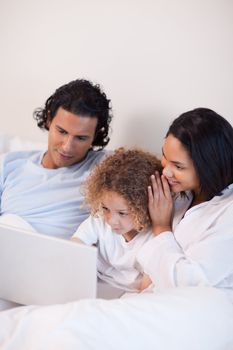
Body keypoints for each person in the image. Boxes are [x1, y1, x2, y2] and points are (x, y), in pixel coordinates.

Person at [0, 79, 112, 239]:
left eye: (81, 138)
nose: (67, 147)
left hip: (55, 258)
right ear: (49, 120)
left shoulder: (105, 168)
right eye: (62, 131)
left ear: (95, 137)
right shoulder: (8, 164)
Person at [137, 107, 233, 292]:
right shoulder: (180, 191)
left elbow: (188, 283)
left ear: (209, 167)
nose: (166, 171)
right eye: (165, 157)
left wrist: (161, 228)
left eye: (178, 166)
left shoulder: (227, 214)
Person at [72, 147, 162, 292]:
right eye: (106, 208)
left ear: (144, 208)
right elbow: (74, 246)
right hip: (94, 284)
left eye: (122, 213)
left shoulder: (152, 238)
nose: (111, 220)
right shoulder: (99, 219)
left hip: (128, 294)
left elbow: (145, 290)